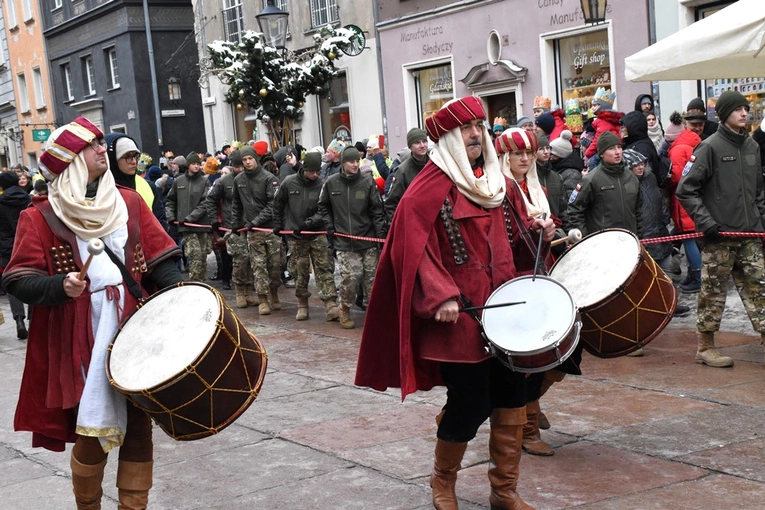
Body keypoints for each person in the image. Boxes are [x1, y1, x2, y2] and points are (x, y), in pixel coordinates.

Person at [355, 96, 554, 510]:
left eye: (479, 126)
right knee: (470, 401)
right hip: (459, 315)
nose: (475, 134)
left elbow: (519, 241)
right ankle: (442, 482)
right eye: (465, 128)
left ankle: (505, 491)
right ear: (446, 138)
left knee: (513, 396)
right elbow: (413, 249)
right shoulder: (426, 189)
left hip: (507, 309)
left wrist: (541, 235)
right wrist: (440, 294)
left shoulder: (499, 185)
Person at [2, 116, 182, 508]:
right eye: (93, 145)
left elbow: (159, 259)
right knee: (94, 430)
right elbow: (17, 278)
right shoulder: (39, 216)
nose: (104, 149)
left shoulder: (129, 200)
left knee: (138, 424)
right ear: (70, 159)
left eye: (102, 143)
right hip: (79, 334)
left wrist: (181, 297)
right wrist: (58, 286)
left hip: (133, 325)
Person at [677, 90, 765, 368]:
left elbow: (758, 192)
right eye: (738, 109)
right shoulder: (709, 147)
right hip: (719, 236)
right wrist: (707, 223)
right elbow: (686, 190)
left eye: (745, 108)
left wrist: (761, 224)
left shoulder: (752, 147)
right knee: (713, 292)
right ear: (725, 114)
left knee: (760, 287)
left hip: (750, 234)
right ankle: (705, 346)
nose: (744, 113)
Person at [317, 146, 386, 329]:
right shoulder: (331, 183)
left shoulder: (367, 182)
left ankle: (374, 314)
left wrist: (380, 235)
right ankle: (344, 309)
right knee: (351, 279)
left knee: (371, 281)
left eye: (357, 161)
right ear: (343, 163)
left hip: (368, 239)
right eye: (351, 161)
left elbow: (376, 210)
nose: (355, 165)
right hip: (345, 242)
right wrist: (329, 226)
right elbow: (323, 206)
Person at [272, 152, 341, 322]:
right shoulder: (289, 183)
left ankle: (330, 303)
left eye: (318, 171)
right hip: (296, 236)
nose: (315, 175)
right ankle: (302, 304)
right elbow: (278, 204)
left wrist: (309, 223)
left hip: (317, 233)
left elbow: (324, 209)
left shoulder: (322, 185)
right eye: (312, 172)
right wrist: (278, 224)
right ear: (304, 169)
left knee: (324, 268)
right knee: (299, 271)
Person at [232, 145, 282, 315]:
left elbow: (273, 205)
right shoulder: (239, 180)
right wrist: (235, 223)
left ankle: (274, 293)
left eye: (250, 159)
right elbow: (236, 204)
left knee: (275, 265)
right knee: (258, 266)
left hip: (270, 230)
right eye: (244, 160)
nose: (247, 162)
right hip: (252, 232)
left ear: (256, 159)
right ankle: (262, 299)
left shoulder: (270, 178)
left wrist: (256, 221)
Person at [566, 131, 642, 237]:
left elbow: (638, 211)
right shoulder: (592, 179)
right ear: (601, 153)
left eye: (619, 147)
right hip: (602, 242)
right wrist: (586, 237)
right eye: (611, 148)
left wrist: (640, 237)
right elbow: (574, 210)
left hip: (629, 241)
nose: (617, 152)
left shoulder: (631, 177)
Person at [668, 117, 703, 293]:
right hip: (697, 198)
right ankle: (695, 274)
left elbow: (676, 177)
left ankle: (697, 277)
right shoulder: (694, 144)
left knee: (688, 239)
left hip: (683, 201)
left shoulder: (677, 150)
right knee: (694, 239)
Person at [105, 133, 168, 231]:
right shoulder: (101, 188)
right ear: (112, 159)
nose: (134, 161)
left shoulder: (148, 186)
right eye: (127, 157)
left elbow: (160, 223)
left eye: (135, 156)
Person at [0, 171, 31, 338]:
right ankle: (33, 318)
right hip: (28, 244)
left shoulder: (1, 202)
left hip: (7, 248)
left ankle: (19, 319)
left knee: (11, 283)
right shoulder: (28, 199)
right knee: (34, 278)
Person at [384, 128, 429, 221]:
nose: (422, 145)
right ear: (410, 146)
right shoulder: (402, 171)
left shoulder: (436, 164)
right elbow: (391, 204)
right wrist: (403, 226)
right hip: (415, 223)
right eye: (417, 143)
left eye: (424, 141)